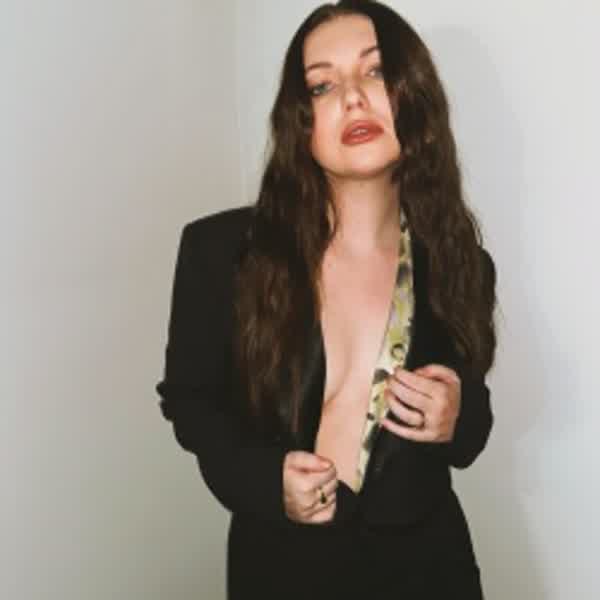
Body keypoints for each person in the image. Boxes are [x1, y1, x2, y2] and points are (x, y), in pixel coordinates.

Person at [156, 1, 497, 598]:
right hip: (282, 566)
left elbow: (472, 429)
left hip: (428, 566)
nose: (353, 97)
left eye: (376, 71)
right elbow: (190, 401)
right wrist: (263, 481)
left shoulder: (458, 261)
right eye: (322, 85)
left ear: (414, 95)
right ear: (301, 119)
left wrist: (457, 415)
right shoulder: (221, 251)